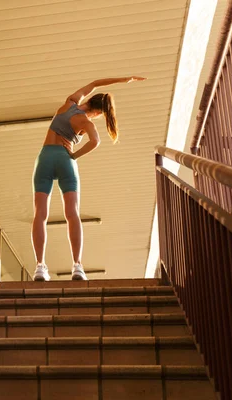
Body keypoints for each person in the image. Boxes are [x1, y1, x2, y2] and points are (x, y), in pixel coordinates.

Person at [31, 76, 146, 281]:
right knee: (72, 214)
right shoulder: (86, 122)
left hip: (45, 158)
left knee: (40, 214)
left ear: (89, 101)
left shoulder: (70, 102)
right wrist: (74, 156)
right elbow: (95, 141)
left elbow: (94, 83)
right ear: (98, 112)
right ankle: (77, 266)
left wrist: (124, 79)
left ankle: (40, 266)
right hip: (66, 159)